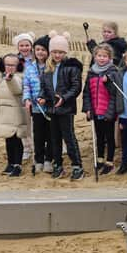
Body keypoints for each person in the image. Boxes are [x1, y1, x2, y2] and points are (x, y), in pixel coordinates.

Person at [37, 31, 84, 180]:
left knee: (69, 137)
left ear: (65, 52)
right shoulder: (47, 68)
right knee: (54, 138)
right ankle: (58, 164)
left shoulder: (72, 66)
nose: (57, 55)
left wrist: (64, 98)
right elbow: (44, 87)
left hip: (66, 108)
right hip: (52, 108)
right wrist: (42, 97)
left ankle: (77, 165)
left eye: (61, 52)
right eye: (55, 52)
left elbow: (76, 87)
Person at [82, 43, 120, 174]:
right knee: (99, 136)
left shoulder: (113, 72)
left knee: (109, 137)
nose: (101, 58)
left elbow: (115, 93)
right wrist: (87, 109)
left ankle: (109, 161)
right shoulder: (91, 72)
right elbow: (86, 92)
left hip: (107, 111)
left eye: (105, 56)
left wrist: (108, 81)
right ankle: (100, 159)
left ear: (110, 58)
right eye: (99, 56)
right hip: (95, 110)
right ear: (95, 57)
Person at [0, 54, 28, 177]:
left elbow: (17, 89)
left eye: (13, 65)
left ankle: (18, 165)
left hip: (16, 113)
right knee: (8, 139)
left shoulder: (19, 77)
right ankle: (10, 163)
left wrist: (10, 79)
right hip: (4, 114)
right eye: (7, 64)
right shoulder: (0, 77)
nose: (9, 67)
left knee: (17, 139)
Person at [22, 34, 52, 173]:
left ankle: (48, 160)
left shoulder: (51, 66)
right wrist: (27, 99)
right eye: (38, 49)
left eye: (43, 50)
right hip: (35, 107)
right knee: (38, 134)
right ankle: (38, 160)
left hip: (50, 107)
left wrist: (46, 98)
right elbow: (26, 85)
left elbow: (53, 86)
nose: (40, 52)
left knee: (50, 134)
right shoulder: (30, 67)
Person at [14, 32, 35, 162]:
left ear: (31, 46)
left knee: (41, 124)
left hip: (36, 94)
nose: (24, 48)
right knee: (23, 124)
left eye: (27, 45)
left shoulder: (37, 57)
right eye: (21, 45)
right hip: (21, 95)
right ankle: (26, 148)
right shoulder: (14, 60)